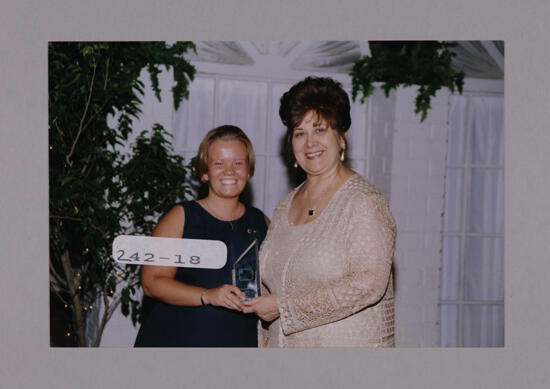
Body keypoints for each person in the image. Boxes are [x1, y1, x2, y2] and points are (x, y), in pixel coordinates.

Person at [243, 77, 396, 347]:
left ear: (342, 137)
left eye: (320, 129)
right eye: (300, 133)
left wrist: (285, 308)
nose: (309, 142)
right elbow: (273, 283)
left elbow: (368, 284)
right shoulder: (285, 204)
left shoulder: (364, 202)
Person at [134, 125, 269, 347]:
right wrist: (207, 295)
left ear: (249, 171)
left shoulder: (261, 221)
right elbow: (152, 282)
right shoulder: (181, 217)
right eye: (219, 163)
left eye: (238, 163)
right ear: (204, 172)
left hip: (239, 343)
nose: (229, 171)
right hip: (178, 340)